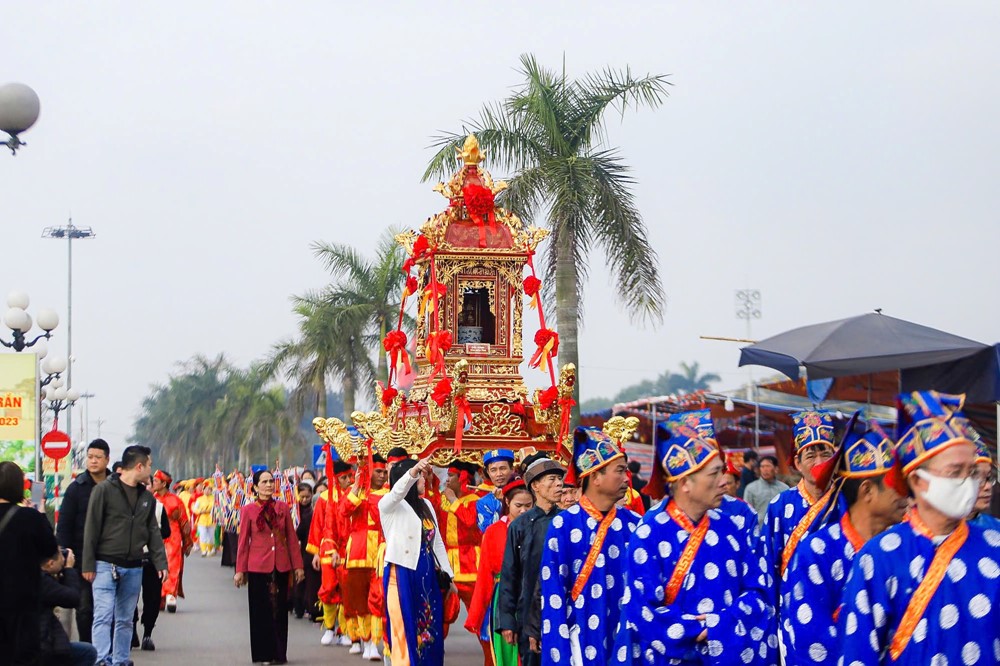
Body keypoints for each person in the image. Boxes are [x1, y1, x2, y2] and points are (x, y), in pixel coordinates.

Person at [838, 391, 1000, 664]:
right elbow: (857, 654)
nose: (969, 482)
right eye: (955, 472)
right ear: (917, 480)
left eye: (972, 472)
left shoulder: (994, 547)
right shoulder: (879, 556)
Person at [616, 410, 776, 665]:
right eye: (714, 474)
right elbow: (642, 611)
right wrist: (694, 631)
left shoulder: (731, 528)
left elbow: (758, 591)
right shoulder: (649, 533)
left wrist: (719, 625)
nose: (724, 482)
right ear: (685, 482)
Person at [783, 419, 908, 664]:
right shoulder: (817, 552)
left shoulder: (904, 547)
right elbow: (812, 640)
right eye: (897, 485)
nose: (906, 494)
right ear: (867, 491)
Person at [540, 427, 641, 666]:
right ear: (595, 476)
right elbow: (553, 597)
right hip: (579, 643)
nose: (627, 478)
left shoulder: (636, 525)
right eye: (619, 471)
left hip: (626, 642)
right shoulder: (562, 525)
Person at [82, 445, 167, 666]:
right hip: (103, 564)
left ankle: (120, 660)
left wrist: (160, 562)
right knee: (103, 615)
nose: (151, 469)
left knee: (125, 619)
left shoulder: (147, 498)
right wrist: (87, 564)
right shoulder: (104, 491)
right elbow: (91, 528)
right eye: (149, 465)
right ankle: (101, 659)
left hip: (134, 566)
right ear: (139, 466)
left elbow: (153, 531)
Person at [379, 457, 454, 666]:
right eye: (420, 476)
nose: (424, 480)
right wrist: (412, 473)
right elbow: (397, 492)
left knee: (430, 630)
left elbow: (437, 542)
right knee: (404, 629)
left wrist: (448, 574)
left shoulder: (427, 505)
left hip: (427, 575)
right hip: (401, 575)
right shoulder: (389, 505)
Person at [496, 453, 565, 666]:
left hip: (562, 606)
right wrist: (507, 620)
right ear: (535, 486)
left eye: (560, 479)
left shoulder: (566, 521)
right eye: (551, 479)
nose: (559, 484)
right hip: (527, 610)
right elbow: (510, 573)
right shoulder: (520, 525)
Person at [234, 469, 305, 665]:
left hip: (280, 566)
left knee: (279, 610)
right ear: (255, 487)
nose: (268, 485)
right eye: (264, 482)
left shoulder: (282, 508)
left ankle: (279, 654)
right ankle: (262, 654)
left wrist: (297, 566)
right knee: (260, 611)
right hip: (257, 567)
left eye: (271, 481)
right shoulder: (248, 510)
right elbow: (243, 542)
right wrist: (240, 570)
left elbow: (291, 538)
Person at [466, 480, 534, 666]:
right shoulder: (494, 532)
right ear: (507, 503)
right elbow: (485, 574)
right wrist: (477, 614)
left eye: (528, 506)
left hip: (533, 596)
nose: (523, 511)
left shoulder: (539, 528)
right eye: (518, 505)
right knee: (506, 651)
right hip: (504, 596)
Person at [0, 461, 60, 664]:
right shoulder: (31, 518)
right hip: (23, 605)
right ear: (19, 486)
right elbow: (51, 552)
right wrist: (38, 510)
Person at [55, 437, 110, 644]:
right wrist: (64, 552)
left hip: (110, 557)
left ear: (107, 459)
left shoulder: (116, 486)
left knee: (108, 609)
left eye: (97, 457)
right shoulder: (76, 488)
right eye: (89, 457)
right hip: (80, 559)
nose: (93, 461)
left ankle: (106, 649)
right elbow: (65, 525)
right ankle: (89, 647)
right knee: (85, 608)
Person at [340, 454, 389, 659]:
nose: (382, 475)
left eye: (385, 472)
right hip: (359, 551)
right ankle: (366, 641)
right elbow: (344, 511)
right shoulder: (358, 492)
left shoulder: (390, 492)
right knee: (359, 598)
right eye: (378, 471)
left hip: (382, 550)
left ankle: (378, 642)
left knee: (379, 596)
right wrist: (357, 486)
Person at [439, 460, 484, 649]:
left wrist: (453, 501)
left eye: (451, 476)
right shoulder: (442, 498)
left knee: (480, 616)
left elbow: (470, 523)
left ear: (463, 478)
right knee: (439, 613)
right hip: (446, 564)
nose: (447, 480)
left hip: (471, 564)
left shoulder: (476, 500)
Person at [308, 458, 353, 646]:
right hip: (328, 548)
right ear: (336, 478)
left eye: (351, 476)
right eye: (345, 477)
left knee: (346, 590)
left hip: (349, 549)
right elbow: (317, 526)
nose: (349, 480)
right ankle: (329, 627)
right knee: (328, 589)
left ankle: (345, 630)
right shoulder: (324, 498)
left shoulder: (353, 496)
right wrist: (317, 553)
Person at [39, 547, 98, 666]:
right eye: (61, 556)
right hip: (43, 646)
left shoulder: (33, 576)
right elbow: (72, 598)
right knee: (88, 652)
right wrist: (69, 569)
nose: (64, 558)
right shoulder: (42, 582)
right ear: (50, 564)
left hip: (39, 641)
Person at [131, 488, 172, 651]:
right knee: (131, 597)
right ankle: (134, 632)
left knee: (151, 597)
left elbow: (166, 531)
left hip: (150, 557)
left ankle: (145, 633)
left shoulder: (158, 506)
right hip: (132, 557)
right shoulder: (124, 505)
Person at [150, 469, 193, 612]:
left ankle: (170, 595)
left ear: (163, 484)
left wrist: (187, 542)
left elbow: (184, 523)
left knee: (173, 566)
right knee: (155, 568)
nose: (153, 483)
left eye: (156, 481)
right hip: (154, 538)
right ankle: (159, 597)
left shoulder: (176, 501)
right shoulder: (150, 499)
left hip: (173, 537)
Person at [292, 482, 320, 621]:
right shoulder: (294, 511)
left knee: (311, 583)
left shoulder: (311, 513)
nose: (304, 500)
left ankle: (311, 608)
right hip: (301, 550)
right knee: (300, 581)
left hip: (310, 550)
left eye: (307, 497)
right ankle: (299, 607)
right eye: (302, 497)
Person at [477, 450, 515, 533]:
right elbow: (486, 531)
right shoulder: (484, 502)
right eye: (493, 470)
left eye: (503, 468)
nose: (499, 474)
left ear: (512, 469)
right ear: (488, 473)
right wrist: (502, 504)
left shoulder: (524, 494)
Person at [743, 455, 789, 520]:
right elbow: (747, 511)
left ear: (776, 468)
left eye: (768, 466)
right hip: (759, 527)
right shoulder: (751, 488)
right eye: (762, 467)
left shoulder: (784, 488)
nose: (765, 469)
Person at [969, 438, 1000, 529]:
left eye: (988, 478)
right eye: (977, 478)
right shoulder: (931, 534)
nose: (988, 486)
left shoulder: (996, 528)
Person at [191, 479, 218, 557]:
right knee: (203, 535)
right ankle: (203, 550)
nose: (207, 491)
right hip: (202, 519)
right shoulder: (199, 499)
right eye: (206, 489)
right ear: (203, 490)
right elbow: (194, 508)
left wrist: (210, 510)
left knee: (210, 536)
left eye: (209, 489)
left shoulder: (214, 499)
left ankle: (209, 549)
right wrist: (200, 511)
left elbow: (216, 508)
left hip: (211, 519)